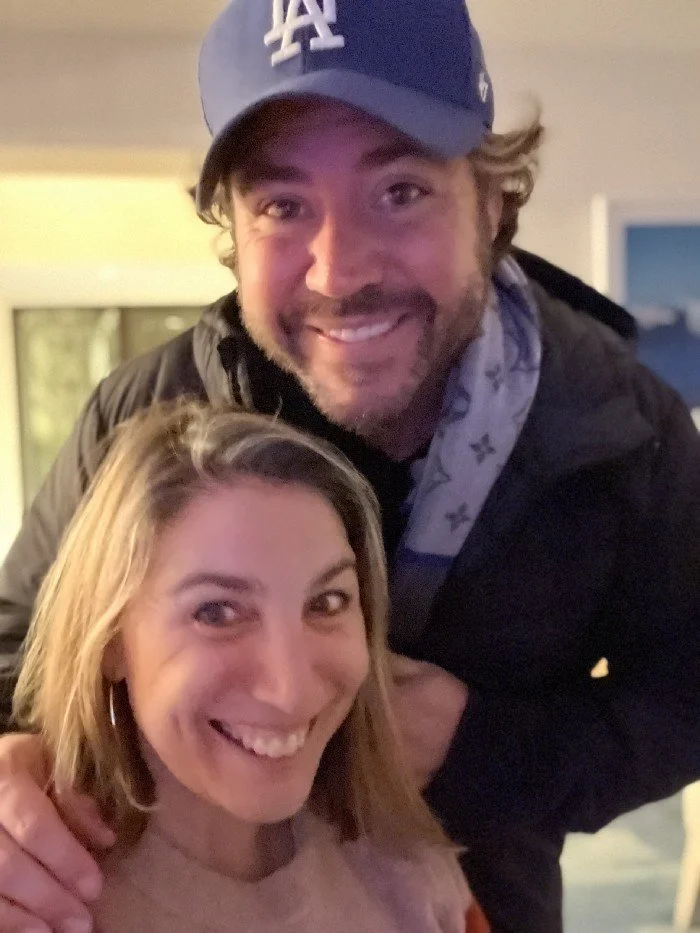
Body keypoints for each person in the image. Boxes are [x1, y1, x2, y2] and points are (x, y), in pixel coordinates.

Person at [0, 0, 697, 931]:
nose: (339, 272)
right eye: (282, 206)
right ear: (233, 231)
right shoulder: (143, 417)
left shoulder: (621, 428)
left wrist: (487, 749)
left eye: (399, 191)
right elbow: (17, 649)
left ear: (491, 202)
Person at [11, 401, 471, 932]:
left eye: (327, 603)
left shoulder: (414, 882)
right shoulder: (27, 896)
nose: (291, 690)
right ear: (111, 641)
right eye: (217, 613)